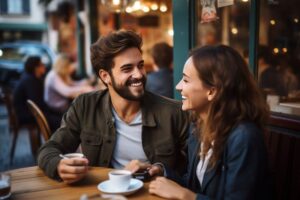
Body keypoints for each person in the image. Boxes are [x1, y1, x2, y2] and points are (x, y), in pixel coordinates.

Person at [37, 30, 189, 183]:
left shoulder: (174, 113)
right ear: (105, 76)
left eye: (140, 65)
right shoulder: (85, 106)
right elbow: (49, 148)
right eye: (127, 68)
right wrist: (58, 165)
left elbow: (194, 172)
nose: (138, 74)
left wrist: (164, 171)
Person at [127, 45, 273, 199]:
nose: (178, 87)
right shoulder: (199, 126)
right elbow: (195, 185)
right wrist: (161, 171)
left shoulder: (244, 137)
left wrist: (186, 196)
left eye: (185, 80)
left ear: (212, 91)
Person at [13, 56, 61, 132]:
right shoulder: (30, 81)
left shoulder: (30, 78)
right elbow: (36, 103)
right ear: (36, 68)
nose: (44, 66)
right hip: (28, 115)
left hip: (31, 112)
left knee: (61, 116)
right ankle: (57, 142)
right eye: (42, 64)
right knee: (61, 121)